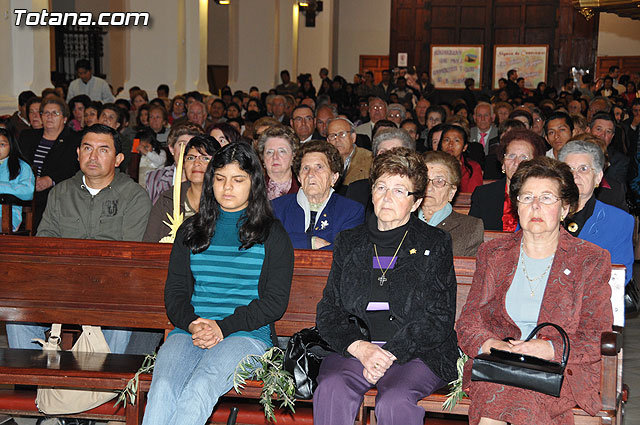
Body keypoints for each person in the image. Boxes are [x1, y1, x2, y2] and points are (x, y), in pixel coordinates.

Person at [141, 141, 294, 425]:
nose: (227, 188)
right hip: (192, 330)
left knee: (199, 388)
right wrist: (192, 323)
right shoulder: (192, 229)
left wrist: (222, 328)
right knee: (162, 389)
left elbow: (274, 303)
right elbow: (175, 292)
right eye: (220, 179)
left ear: (254, 183)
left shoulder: (271, 234)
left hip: (246, 334)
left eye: (238, 180)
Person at [456, 156, 614, 424]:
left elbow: (596, 334)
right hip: (499, 365)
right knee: (500, 391)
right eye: (526, 197)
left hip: (561, 369)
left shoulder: (588, 259)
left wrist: (549, 349)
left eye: (547, 198)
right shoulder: (493, 253)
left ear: (565, 208)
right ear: (516, 206)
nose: (535, 206)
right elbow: (469, 321)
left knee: (522, 399)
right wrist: (492, 345)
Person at [314, 147, 458, 425]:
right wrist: (360, 348)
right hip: (356, 351)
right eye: (381, 187)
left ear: (415, 202)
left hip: (415, 354)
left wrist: (390, 353)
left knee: (394, 400)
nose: (387, 197)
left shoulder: (434, 243)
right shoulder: (350, 241)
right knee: (332, 388)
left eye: (399, 190)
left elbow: (439, 317)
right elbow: (329, 310)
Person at [558, 140, 634, 285]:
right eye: (569, 169)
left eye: (583, 169)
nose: (575, 175)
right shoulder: (540, 212)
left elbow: (619, 277)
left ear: (598, 177)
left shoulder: (619, 221)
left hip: (592, 302)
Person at [271, 140, 364, 250]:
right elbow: (269, 243)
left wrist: (291, 241)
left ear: (334, 177)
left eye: (319, 167)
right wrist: (310, 242)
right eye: (306, 168)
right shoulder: (276, 208)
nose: (311, 174)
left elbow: (345, 251)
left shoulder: (351, 211)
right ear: (299, 178)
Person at [19, 97, 80, 231]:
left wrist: (51, 180)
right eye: (46, 113)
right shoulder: (28, 137)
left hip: (57, 192)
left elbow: (74, 168)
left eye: (55, 113)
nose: (49, 117)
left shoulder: (74, 140)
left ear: (64, 118)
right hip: (26, 189)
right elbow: (18, 162)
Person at [143, 135, 221, 242]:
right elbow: (149, 244)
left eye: (205, 158)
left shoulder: (224, 200)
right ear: (183, 164)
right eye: (190, 158)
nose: (196, 163)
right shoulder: (169, 198)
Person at [470, 129, 547, 231]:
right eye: (511, 156)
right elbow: (472, 234)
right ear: (503, 164)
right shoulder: (483, 194)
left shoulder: (545, 198)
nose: (516, 162)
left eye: (523, 157)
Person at [420, 151, 483, 256]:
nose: (429, 188)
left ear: (452, 192)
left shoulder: (470, 227)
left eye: (439, 181)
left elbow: (468, 270)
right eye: (424, 180)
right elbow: (385, 262)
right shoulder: (402, 219)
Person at [146, 123, 204, 204]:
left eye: (192, 146)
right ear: (172, 149)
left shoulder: (206, 179)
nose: (186, 151)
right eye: (182, 144)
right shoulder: (155, 178)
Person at [0, 128, 35, 231]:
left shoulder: (21, 166)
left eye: (2, 144)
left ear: (11, 145)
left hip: (7, 216)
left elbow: (28, 191)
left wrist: (2, 187)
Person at [256, 125, 300, 200]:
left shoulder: (304, 187)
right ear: (262, 158)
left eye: (282, 151)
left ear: (293, 155)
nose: (275, 157)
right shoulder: (254, 189)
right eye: (269, 152)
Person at [327, 117, 373, 186]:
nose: (337, 139)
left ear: (353, 137)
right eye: (332, 136)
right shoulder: (323, 161)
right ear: (328, 141)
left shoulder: (369, 160)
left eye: (342, 134)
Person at [439, 124, 483, 193]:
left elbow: (473, 195)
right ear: (441, 144)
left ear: (464, 147)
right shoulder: (433, 165)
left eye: (456, 140)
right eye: (447, 140)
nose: (450, 144)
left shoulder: (473, 167)